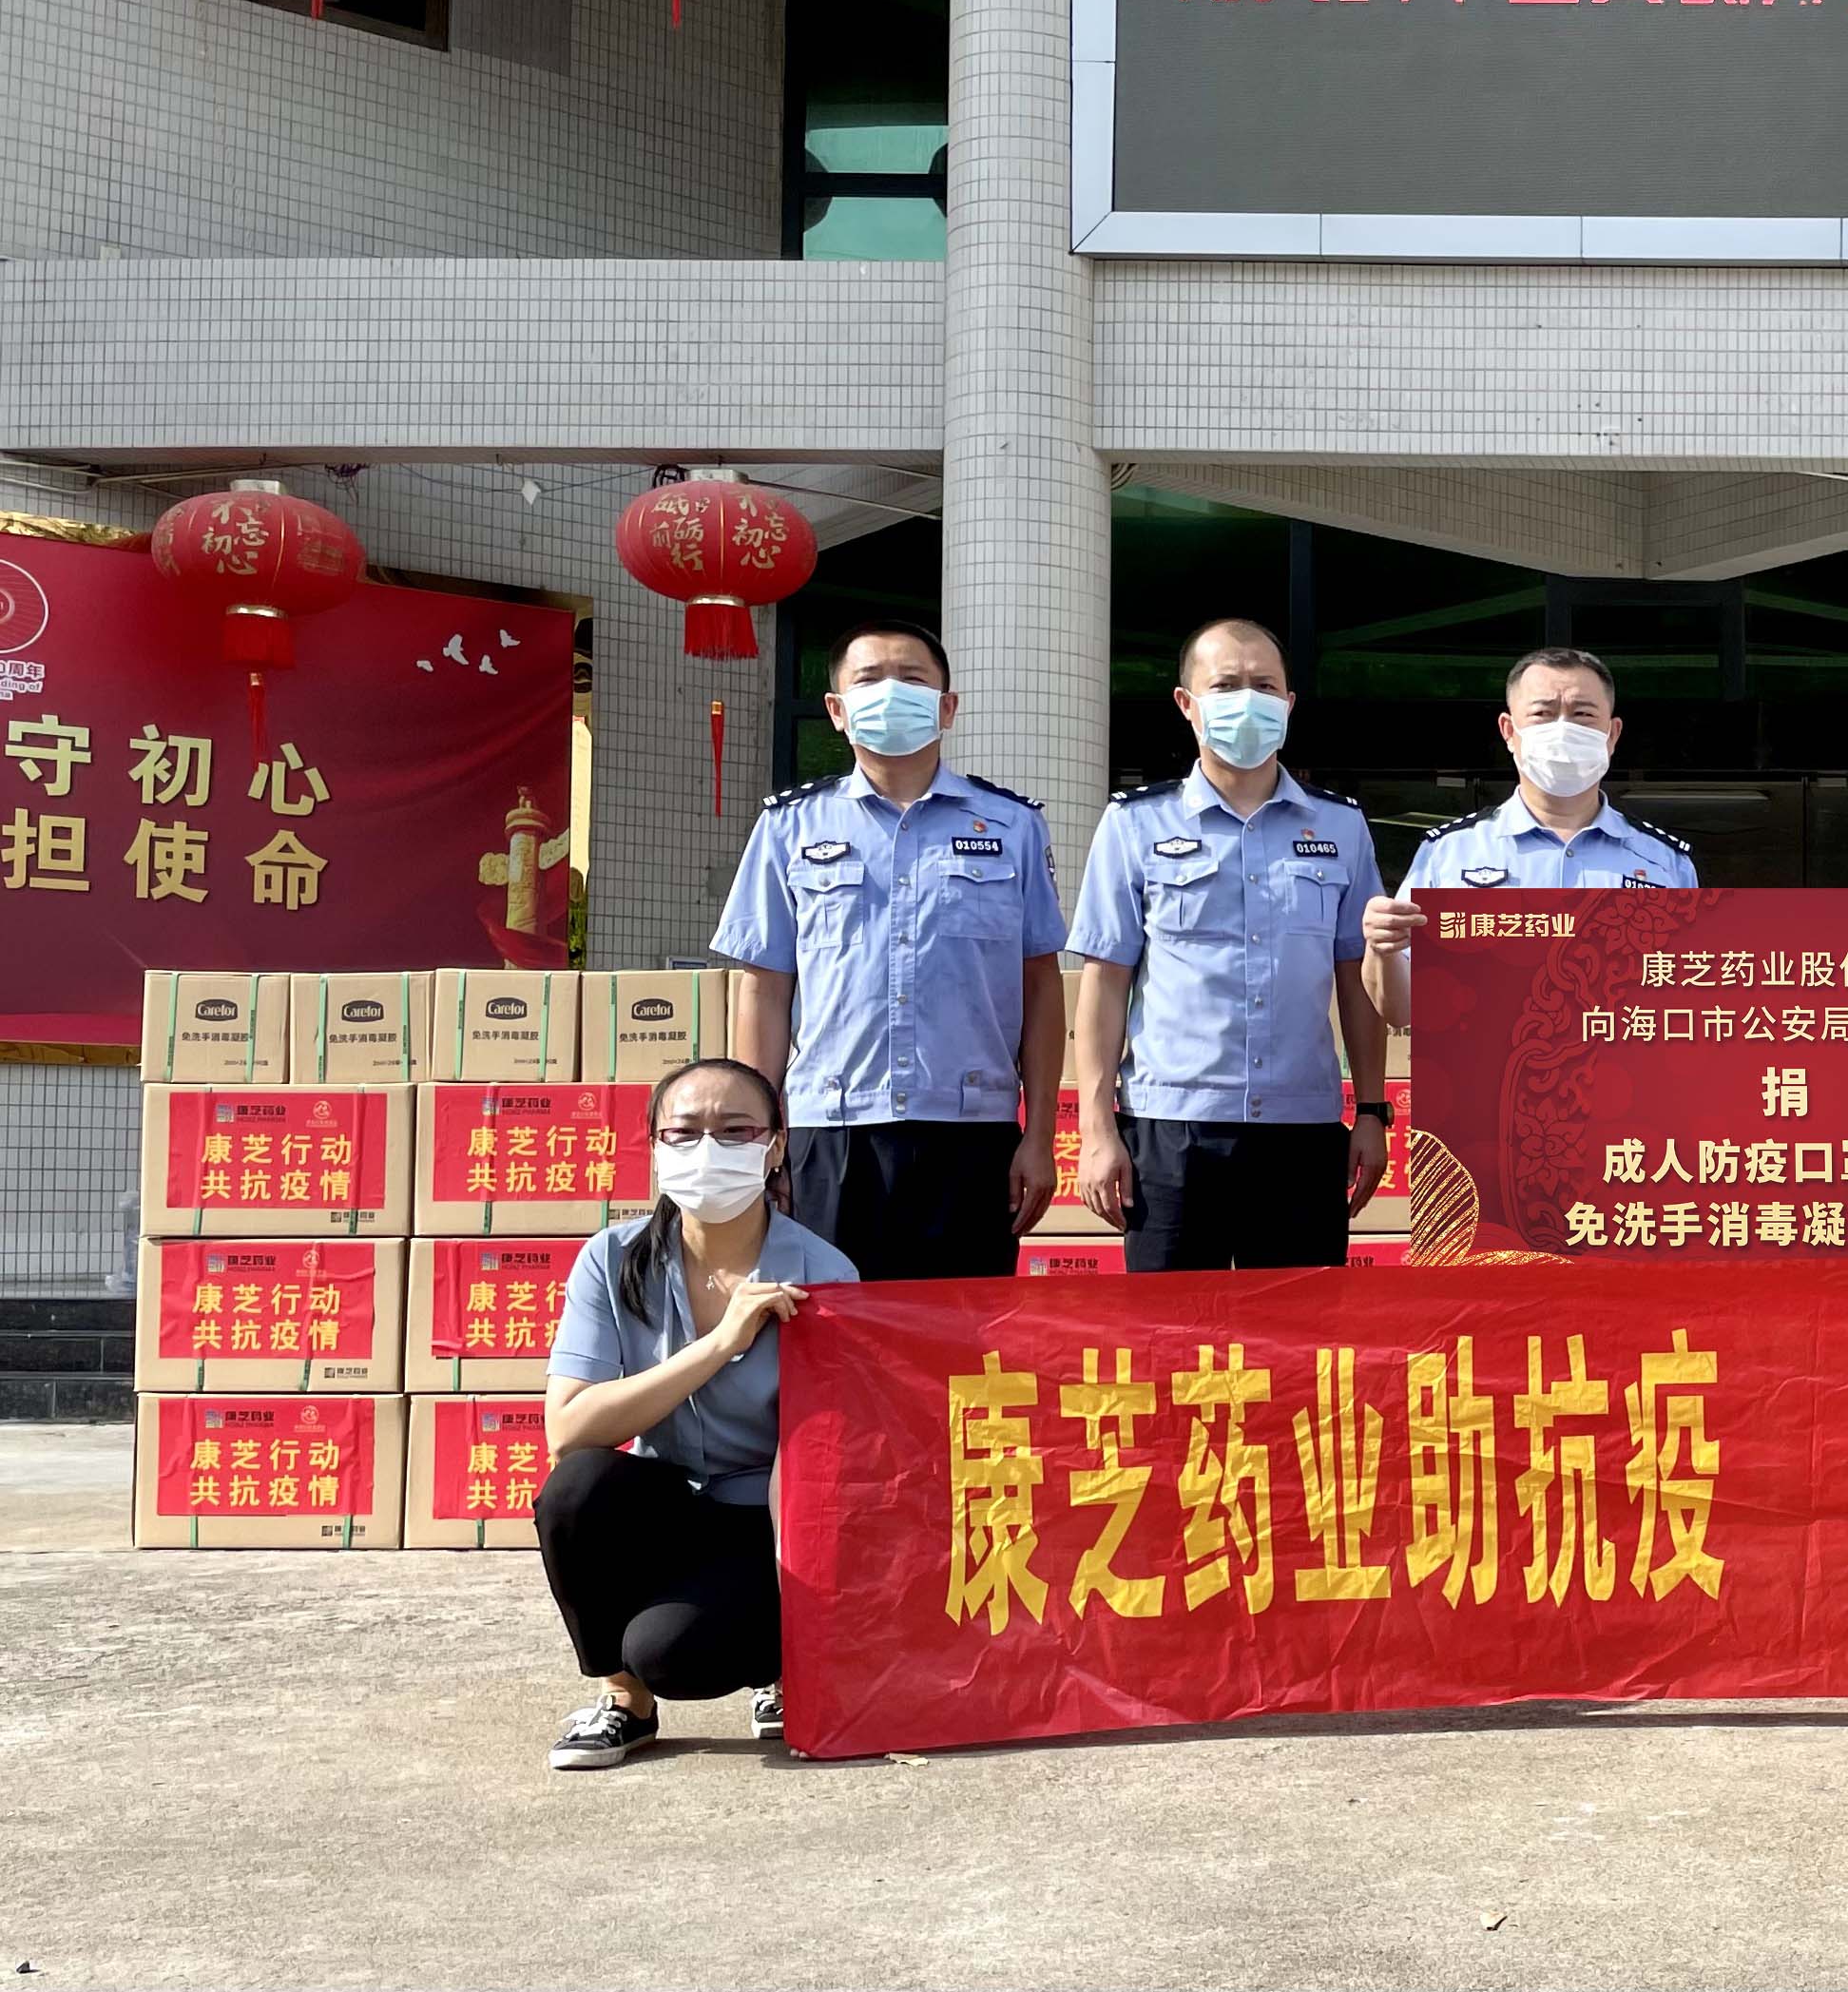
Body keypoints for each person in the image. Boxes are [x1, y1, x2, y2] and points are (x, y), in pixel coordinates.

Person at [712, 620, 1068, 1281]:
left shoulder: (1013, 825)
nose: (891, 692)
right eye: (869, 679)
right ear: (837, 710)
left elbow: (1042, 985)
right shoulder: (789, 826)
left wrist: (1039, 1133)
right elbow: (763, 988)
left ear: (947, 706)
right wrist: (757, 1139)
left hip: (972, 1133)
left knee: (965, 1334)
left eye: (912, 678)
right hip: (831, 1132)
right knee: (832, 1328)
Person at [535, 1056, 857, 1770]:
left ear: (775, 1146)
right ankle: (623, 1701)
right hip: (666, 1504)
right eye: (684, 1133)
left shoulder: (826, 1274)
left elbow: (819, 1458)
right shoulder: (611, 1259)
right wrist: (718, 1344)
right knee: (577, 1487)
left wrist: (807, 1616)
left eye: (736, 1131)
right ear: (654, 1146)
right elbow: (570, 1429)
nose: (708, 1149)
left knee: (675, 1655)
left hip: (764, 1518)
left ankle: (783, 1664)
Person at [1067, 619, 1393, 1269]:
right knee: (1170, 1327)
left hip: (1301, 1131)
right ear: (1187, 703)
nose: (1247, 699)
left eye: (1264, 686)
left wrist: (1371, 1111)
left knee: (1300, 1327)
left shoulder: (1340, 826)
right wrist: (1097, 1128)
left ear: (1288, 704)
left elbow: (1358, 978)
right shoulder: (1134, 823)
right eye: (1225, 685)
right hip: (1171, 1128)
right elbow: (1105, 983)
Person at [1364, 647, 1696, 1029]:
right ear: (1509, 731)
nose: (1563, 729)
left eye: (1583, 714)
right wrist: (1382, 948)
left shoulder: (1665, 863)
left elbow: (1692, 995)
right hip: (1486, 1066)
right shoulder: (1449, 854)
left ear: (1612, 733)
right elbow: (1401, 1010)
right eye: (1543, 714)